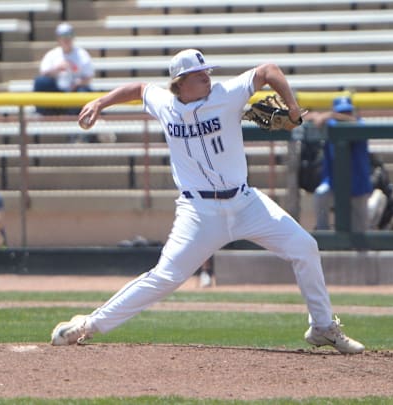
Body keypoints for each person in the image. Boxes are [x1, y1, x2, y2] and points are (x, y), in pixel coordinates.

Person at [50, 49, 364, 354]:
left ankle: (322, 327)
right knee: (165, 276)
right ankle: (89, 324)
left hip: (245, 203)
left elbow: (269, 70)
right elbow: (139, 88)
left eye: (207, 72)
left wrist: (293, 108)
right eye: (198, 75)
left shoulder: (226, 94)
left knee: (304, 247)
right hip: (198, 212)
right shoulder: (166, 104)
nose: (207, 78)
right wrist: (101, 102)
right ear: (179, 82)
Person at [304, 96, 373, 232]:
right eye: (341, 112)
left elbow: (358, 124)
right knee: (320, 194)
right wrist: (318, 116)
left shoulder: (359, 124)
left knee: (361, 232)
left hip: (358, 185)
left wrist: (331, 115)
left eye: (347, 112)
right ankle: (323, 232)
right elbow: (304, 119)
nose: (344, 115)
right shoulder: (330, 125)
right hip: (333, 182)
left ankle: (376, 207)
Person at [33, 22, 94, 115]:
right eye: (63, 36)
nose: (66, 39)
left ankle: (76, 117)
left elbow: (88, 78)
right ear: (58, 38)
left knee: (84, 92)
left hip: (74, 91)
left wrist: (77, 83)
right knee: (41, 82)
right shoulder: (52, 54)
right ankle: (44, 115)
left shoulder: (82, 54)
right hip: (56, 92)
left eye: (68, 36)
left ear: (73, 37)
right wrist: (57, 69)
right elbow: (43, 75)